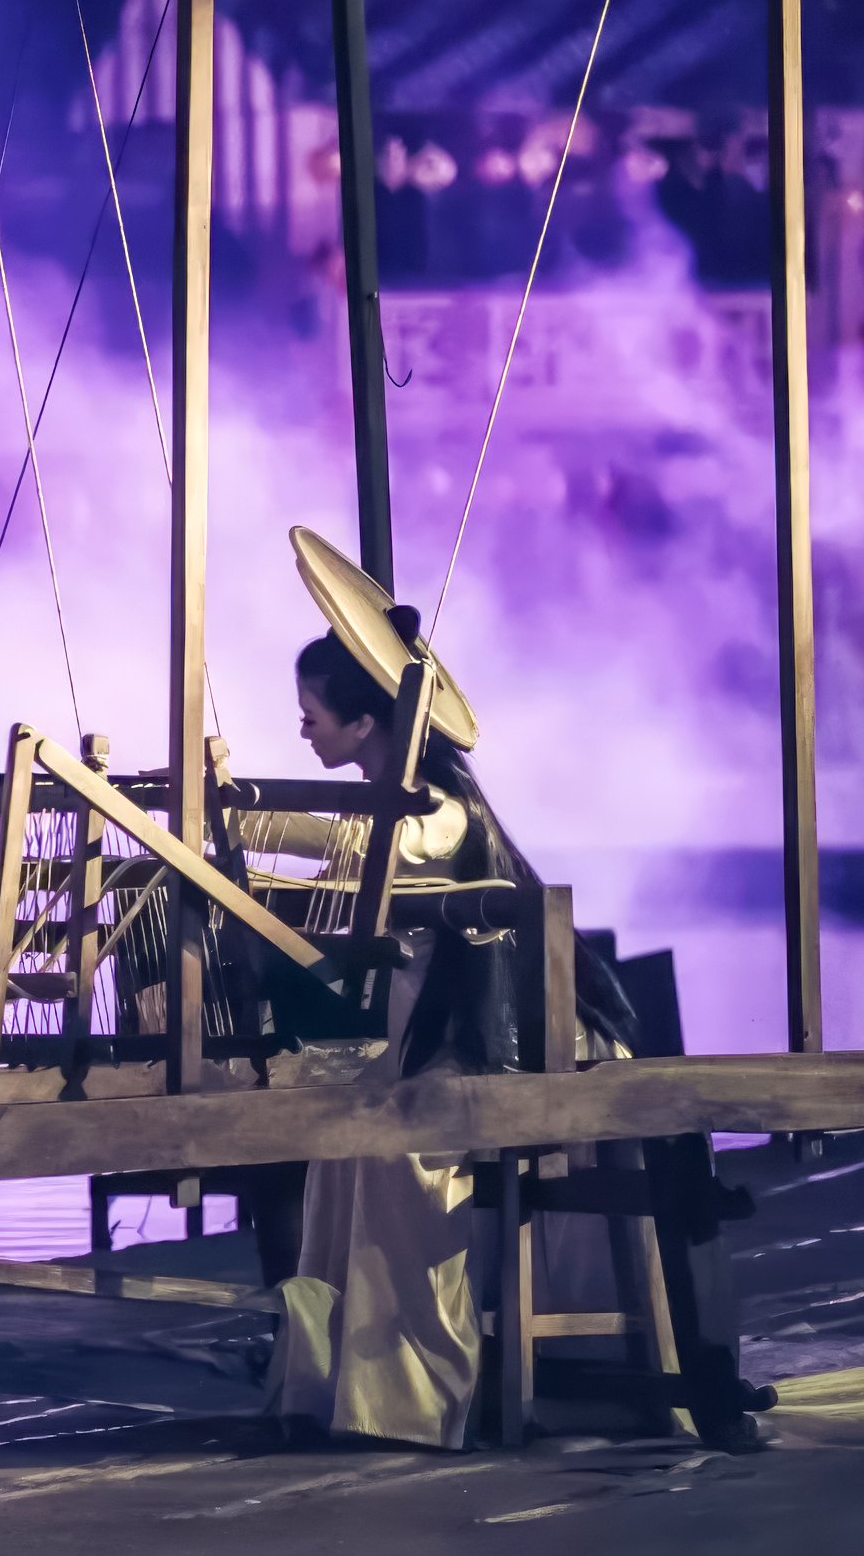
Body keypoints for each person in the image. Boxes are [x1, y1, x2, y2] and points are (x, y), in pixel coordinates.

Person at [259, 527, 628, 1447]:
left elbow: (343, 851)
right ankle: (343, 1391)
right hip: (417, 1050)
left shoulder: (434, 817)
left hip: (481, 1053)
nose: (303, 727)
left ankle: (414, 1405)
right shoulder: (395, 813)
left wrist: (235, 814)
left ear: (365, 724)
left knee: (396, 1162)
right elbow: (336, 863)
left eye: (313, 714)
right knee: (336, 1151)